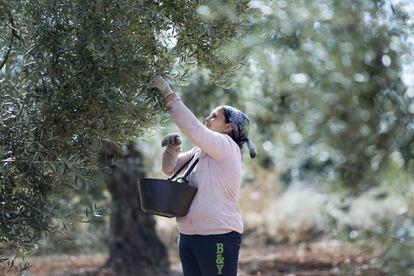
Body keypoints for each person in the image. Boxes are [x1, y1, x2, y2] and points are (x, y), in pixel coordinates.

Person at [152, 76, 256, 276]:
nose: (208, 119)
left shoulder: (226, 146)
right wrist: (172, 150)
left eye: (214, 116)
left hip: (218, 236)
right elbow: (169, 169)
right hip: (188, 236)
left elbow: (194, 129)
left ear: (228, 128)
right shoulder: (199, 152)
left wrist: (168, 94)